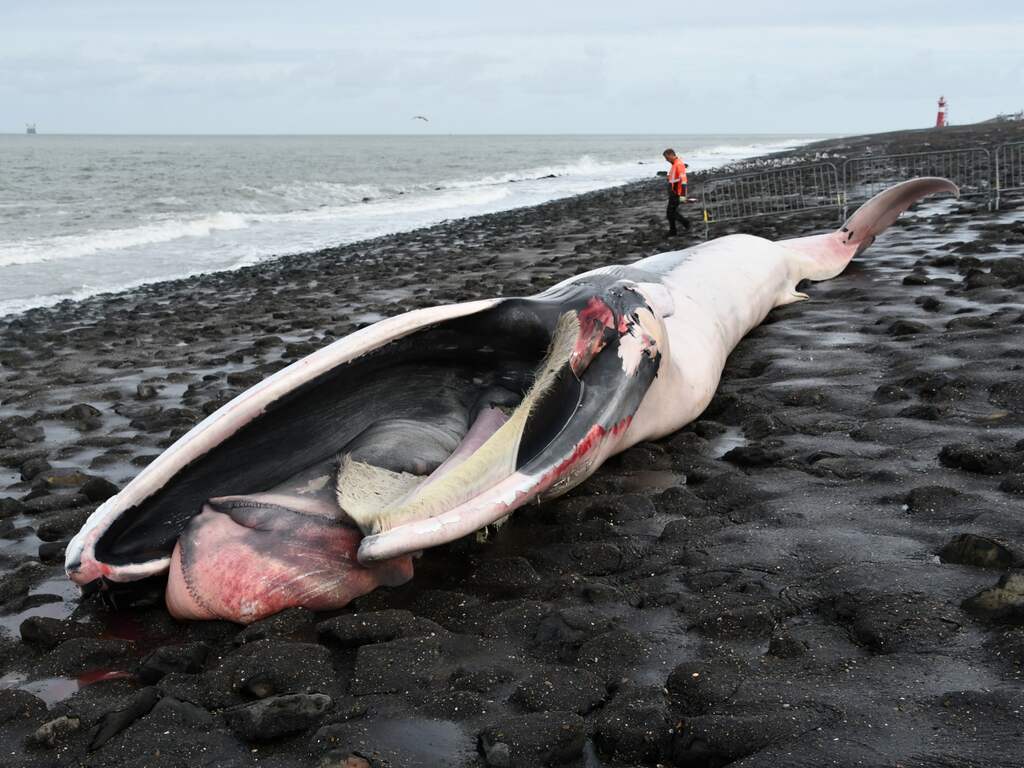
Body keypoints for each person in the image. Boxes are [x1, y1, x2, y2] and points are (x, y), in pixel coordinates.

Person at [663, 148, 691, 236]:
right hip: (673, 192)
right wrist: (669, 177)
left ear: (671, 155)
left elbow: (683, 180)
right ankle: (674, 230)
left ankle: (684, 224)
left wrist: (683, 195)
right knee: (671, 213)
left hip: (676, 193)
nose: (666, 160)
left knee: (671, 213)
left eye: (667, 158)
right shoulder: (674, 164)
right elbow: (675, 177)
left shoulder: (678, 164)